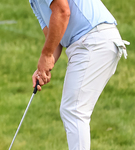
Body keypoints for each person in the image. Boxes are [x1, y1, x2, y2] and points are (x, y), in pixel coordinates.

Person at [29, 0, 129, 149]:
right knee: (73, 110)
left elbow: (63, 12)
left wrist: (46, 55)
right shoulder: (34, 2)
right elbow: (55, 37)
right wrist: (43, 68)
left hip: (94, 39)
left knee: (74, 110)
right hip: (91, 42)